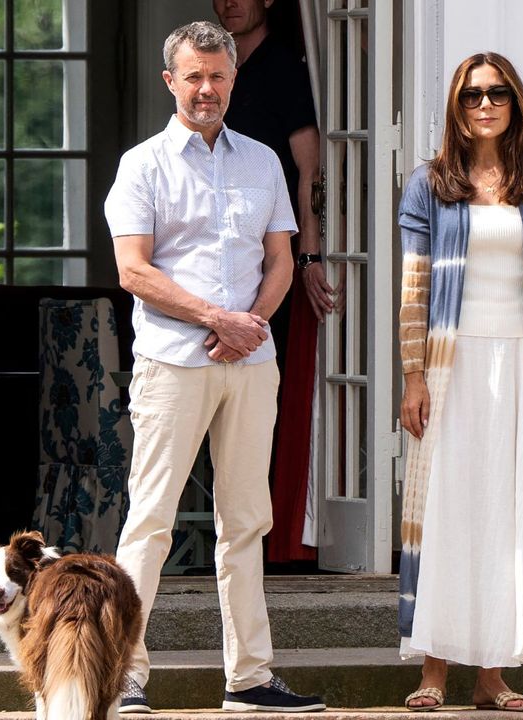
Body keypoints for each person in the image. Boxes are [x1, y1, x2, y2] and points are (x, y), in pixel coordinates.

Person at [104, 21, 325, 714]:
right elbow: (134, 269)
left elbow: (282, 260)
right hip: (174, 362)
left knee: (246, 521)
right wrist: (215, 320)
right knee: (152, 522)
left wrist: (248, 325)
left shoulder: (262, 161)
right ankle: (124, 679)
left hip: (251, 362)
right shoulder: (142, 164)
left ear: (234, 80)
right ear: (170, 81)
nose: (206, 89)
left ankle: (250, 679)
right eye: (193, 76)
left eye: (218, 76)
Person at [395, 51, 523, 712]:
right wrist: (414, 375)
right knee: (447, 509)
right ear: (456, 107)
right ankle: (435, 669)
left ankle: (493, 674)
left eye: (497, 93)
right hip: (452, 364)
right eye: (472, 96)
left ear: (516, 101)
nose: (485, 104)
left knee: (510, 511)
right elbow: (414, 290)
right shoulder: (430, 183)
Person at [212, 0, 335, 566]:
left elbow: (310, 170)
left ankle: (276, 538)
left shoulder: (283, 67)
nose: (231, 2)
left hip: (275, 261)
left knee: (268, 397)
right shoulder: (214, 72)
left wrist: (309, 255)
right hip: (219, 266)